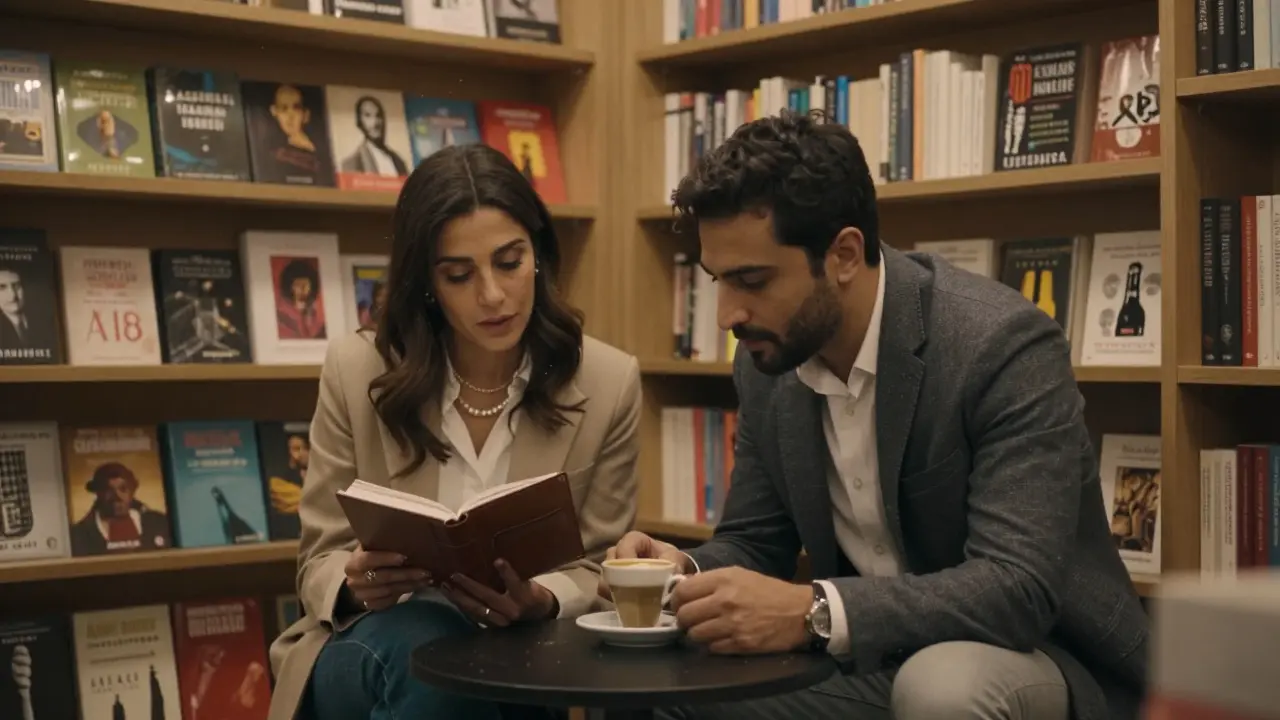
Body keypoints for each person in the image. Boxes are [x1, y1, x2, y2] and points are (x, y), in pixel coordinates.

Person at [602, 110, 1148, 720]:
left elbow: (1016, 587)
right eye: (716, 282)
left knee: (942, 687)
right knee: (645, 684)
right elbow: (757, 542)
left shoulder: (1000, 345)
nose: (727, 314)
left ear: (843, 254)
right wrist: (685, 571)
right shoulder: (767, 363)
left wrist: (814, 609)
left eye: (750, 280)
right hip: (866, 655)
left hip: (1034, 654)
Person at [267, 143, 642, 720]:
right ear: (427, 283)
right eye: (459, 275)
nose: (492, 295)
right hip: (372, 642)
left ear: (539, 254)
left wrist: (540, 600)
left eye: (510, 262)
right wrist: (353, 581)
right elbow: (318, 558)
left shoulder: (609, 381)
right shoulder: (357, 368)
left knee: (486, 675)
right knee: (429, 644)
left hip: (518, 653)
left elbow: (597, 567)